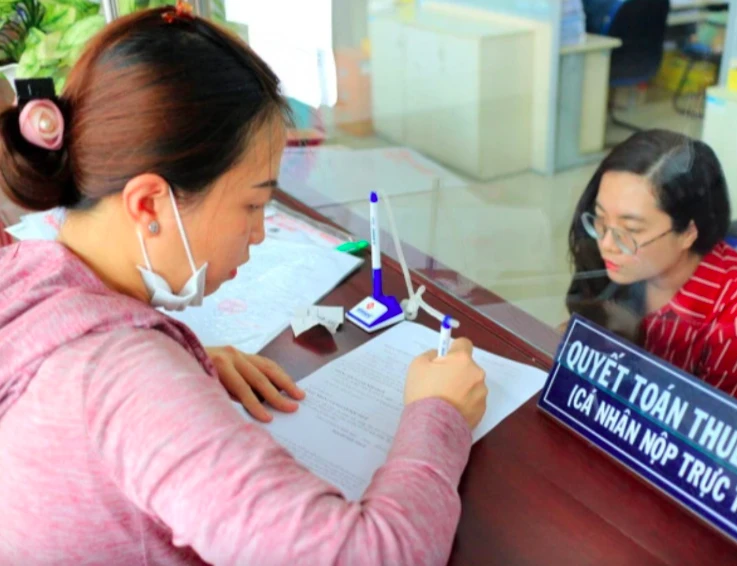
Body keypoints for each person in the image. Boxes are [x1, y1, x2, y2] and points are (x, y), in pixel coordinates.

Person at [0, 5, 488, 565]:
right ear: (149, 204)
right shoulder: (124, 384)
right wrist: (438, 415)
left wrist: (184, 355)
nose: (259, 234)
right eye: (252, 203)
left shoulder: (27, 275)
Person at [565, 129, 737, 412]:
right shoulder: (623, 263)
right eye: (599, 219)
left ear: (688, 233)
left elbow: (717, 435)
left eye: (631, 230)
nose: (607, 244)